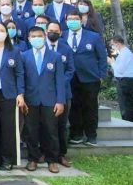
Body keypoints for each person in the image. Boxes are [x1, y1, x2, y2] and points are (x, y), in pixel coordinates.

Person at [20, 26, 66, 173]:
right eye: (33, 36)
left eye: (39, 36)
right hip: (30, 100)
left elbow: (60, 81)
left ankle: (52, 160)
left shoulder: (55, 56)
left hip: (50, 100)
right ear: (29, 39)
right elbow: (21, 79)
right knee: (31, 130)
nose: (36, 39)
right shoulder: (24, 56)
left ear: (45, 36)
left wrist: (60, 101)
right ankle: (33, 159)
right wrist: (21, 96)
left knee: (51, 130)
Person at [0, 22, 25, 171]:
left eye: (2, 30)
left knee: (8, 127)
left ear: (6, 33)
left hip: (8, 93)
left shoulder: (14, 51)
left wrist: (20, 93)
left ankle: (7, 159)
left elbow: (19, 73)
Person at [65, 10, 107, 146]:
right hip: (70, 78)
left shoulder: (93, 36)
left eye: (75, 19)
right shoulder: (62, 36)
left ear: (81, 20)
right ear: (66, 21)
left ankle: (91, 135)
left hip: (90, 77)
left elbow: (102, 57)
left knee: (90, 107)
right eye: (70, 19)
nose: (73, 21)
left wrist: (102, 75)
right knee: (74, 107)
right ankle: (76, 134)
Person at [45, 21, 75, 167]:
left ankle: (61, 154)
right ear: (46, 31)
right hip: (45, 92)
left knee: (62, 125)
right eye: (50, 30)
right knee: (45, 125)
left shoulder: (66, 49)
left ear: (61, 33)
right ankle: (45, 152)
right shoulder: (41, 48)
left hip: (63, 92)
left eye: (56, 31)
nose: (53, 33)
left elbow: (70, 69)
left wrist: (59, 81)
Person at [110, 35, 133, 122]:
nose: (112, 47)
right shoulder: (124, 53)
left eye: (112, 44)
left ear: (118, 43)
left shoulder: (125, 53)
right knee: (126, 104)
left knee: (125, 105)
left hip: (125, 81)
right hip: (125, 81)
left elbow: (120, 70)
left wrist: (111, 62)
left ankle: (128, 123)